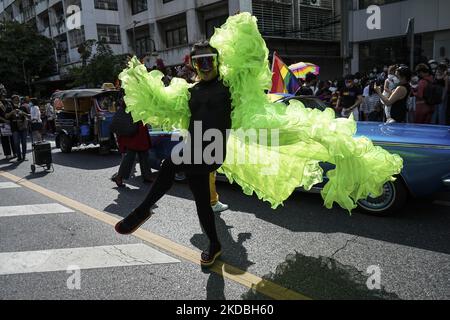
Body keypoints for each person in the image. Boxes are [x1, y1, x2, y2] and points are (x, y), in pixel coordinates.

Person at [115, 41, 232, 267]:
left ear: (218, 62)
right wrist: (140, 78)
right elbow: (161, 102)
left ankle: (142, 210)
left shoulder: (229, 87)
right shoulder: (191, 91)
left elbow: (250, 81)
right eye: (199, 62)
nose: (205, 66)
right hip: (193, 148)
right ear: (194, 66)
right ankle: (215, 245)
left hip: (213, 149)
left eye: (209, 60)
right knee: (202, 202)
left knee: (169, 164)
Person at [112, 91, 153, 188]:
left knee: (144, 154)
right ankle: (119, 177)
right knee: (130, 155)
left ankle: (147, 176)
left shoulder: (139, 95)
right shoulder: (128, 97)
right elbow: (127, 107)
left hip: (140, 129)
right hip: (133, 130)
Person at [6, 95, 30, 162]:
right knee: (16, 143)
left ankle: (24, 156)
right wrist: (12, 112)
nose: (17, 100)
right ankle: (19, 157)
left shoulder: (23, 107)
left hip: (23, 127)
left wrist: (23, 113)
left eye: (18, 99)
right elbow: (6, 116)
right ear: (12, 100)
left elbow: (29, 115)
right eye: (15, 99)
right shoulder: (9, 107)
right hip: (14, 128)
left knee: (24, 142)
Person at [0, 88, 16, 160]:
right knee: (5, 139)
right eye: (2, 92)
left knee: (13, 138)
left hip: (11, 122)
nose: (4, 93)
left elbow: (13, 110)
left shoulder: (9, 102)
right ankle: (8, 154)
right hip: (3, 122)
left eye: (5, 92)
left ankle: (15, 152)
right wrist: (4, 120)